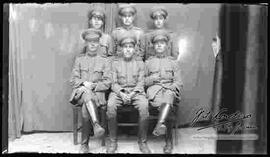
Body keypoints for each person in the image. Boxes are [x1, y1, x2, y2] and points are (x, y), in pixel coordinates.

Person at [106, 32, 151, 154]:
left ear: (134, 49)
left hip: (136, 92)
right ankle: (113, 141)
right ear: (121, 48)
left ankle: (142, 141)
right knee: (110, 106)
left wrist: (131, 94)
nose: (128, 50)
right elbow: (113, 83)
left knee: (144, 106)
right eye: (125, 47)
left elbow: (141, 83)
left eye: (130, 47)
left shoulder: (140, 63)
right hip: (118, 92)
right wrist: (121, 93)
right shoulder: (115, 63)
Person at [69, 28, 111, 153]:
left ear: (99, 43)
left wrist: (93, 86)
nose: (92, 44)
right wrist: (84, 83)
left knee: (85, 108)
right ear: (86, 43)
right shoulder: (79, 59)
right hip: (81, 94)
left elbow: (108, 82)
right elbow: (73, 80)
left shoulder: (105, 61)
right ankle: (96, 124)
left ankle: (85, 144)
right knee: (86, 94)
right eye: (89, 41)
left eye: (95, 41)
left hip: (97, 94)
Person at [144, 30, 184, 154]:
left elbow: (179, 82)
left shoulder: (173, 62)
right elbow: (143, 81)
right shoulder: (148, 62)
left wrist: (172, 87)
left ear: (167, 45)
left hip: (169, 91)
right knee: (167, 106)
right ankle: (164, 134)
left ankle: (166, 138)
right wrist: (152, 79)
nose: (160, 45)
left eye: (162, 43)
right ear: (153, 46)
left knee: (169, 96)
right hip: (154, 93)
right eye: (157, 43)